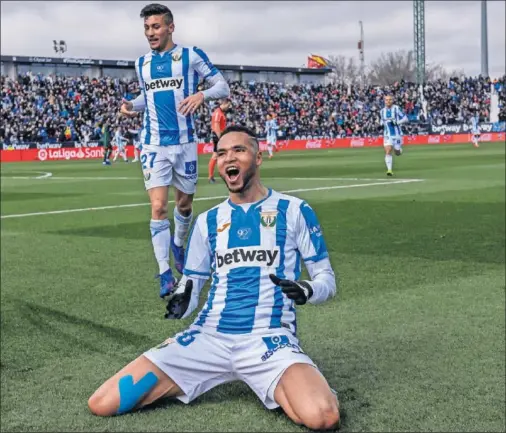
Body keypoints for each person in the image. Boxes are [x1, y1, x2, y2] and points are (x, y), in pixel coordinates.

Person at [87, 125, 340, 431]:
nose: (228, 158)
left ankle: (298, 381)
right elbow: (192, 282)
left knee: (322, 417)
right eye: (221, 153)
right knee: (103, 403)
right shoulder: (208, 221)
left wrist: (307, 289)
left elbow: (326, 278)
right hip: (207, 337)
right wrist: (183, 298)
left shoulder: (295, 210)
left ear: (258, 158)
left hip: (268, 338)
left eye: (238, 150)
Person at [119, 3, 230, 297]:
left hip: (185, 144)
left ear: (170, 27)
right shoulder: (141, 63)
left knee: (184, 206)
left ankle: (178, 245)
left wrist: (202, 95)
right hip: (154, 143)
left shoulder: (191, 55)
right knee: (158, 207)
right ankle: (164, 272)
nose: (150, 33)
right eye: (146, 28)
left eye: (155, 27)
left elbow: (223, 87)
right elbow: (149, 96)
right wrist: (133, 105)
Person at [380, 94, 408, 176]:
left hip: (397, 134)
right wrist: (380, 124)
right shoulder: (382, 111)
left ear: (392, 100)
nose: (388, 101)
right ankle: (389, 170)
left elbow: (405, 118)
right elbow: (382, 121)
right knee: (388, 150)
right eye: (386, 100)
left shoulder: (396, 108)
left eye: (390, 100)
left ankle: (399, 150)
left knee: (397, 152)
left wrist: (397, 122)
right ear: (384, 101)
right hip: (387, 134)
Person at [208, 98, 231, 183]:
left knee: (220, 155)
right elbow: (216, 126)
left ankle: (218, 174)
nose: (228, 108)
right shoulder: (218, 112)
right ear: (225, 103)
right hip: (217, 136)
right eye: (228, 105)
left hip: (219, 136)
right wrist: (220, 137)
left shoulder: (220, 112)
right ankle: (211, 176)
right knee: (216, 155)